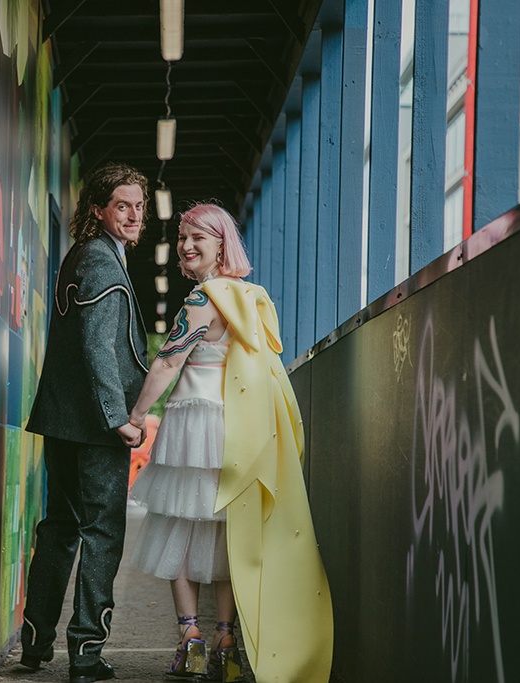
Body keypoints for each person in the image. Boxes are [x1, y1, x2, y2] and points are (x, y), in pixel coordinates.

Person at [128, 203, 334, 682]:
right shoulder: (254, 299)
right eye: (183, 238)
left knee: (177, 528)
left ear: (223, 244)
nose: (187, 246)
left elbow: (166, 363)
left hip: (194, 426)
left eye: (199, 236)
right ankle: (226, 639)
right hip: (239, 430)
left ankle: (190, 638)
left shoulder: (203, 300)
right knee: (227, 534)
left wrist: (137, 416)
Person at [21, 162, 150, 683]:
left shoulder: (84, 255)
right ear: (98, 210)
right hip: (96, 427)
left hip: (64, 421)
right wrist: (118, 418)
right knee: (102, 533)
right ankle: (86, 654)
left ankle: (35, 645)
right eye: (123, 205)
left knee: (60, 528)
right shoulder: (101, 261)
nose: (135, 216)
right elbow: (98, 347)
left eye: (140, 207)